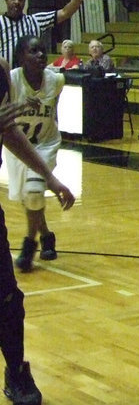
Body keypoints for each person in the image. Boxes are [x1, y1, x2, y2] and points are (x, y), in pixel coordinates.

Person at [0, 56, 75, 405]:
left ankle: (16, 372)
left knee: (9, 299)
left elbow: (9, 131)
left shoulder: (1, 71)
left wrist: (50, 176)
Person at [4, 35, 68, 273]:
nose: (41, 55)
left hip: (45, 143)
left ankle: (29, 245)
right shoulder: (10, 81)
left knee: (33, 193)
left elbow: (54, 110)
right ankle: (47, 235)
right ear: (21, 56)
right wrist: (22, 107)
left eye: (43, 51)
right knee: (30, 199)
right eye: (34, 51)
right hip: (18, 145)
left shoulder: (57, 80)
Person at [1, 0, 90, 65]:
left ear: (25, 1)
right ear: (6, 0)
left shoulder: (35, 21)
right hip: (3, 77)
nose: (17, 2)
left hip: (29, 77)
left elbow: (65, 13)